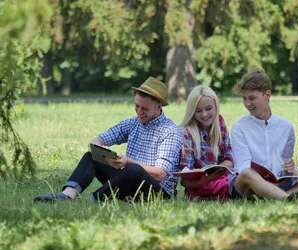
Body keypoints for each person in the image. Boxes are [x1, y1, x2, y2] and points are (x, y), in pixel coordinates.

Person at [34, 77, 183, 202]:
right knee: (92, 155)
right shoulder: (133, 123)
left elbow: (160, 174)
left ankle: (93, 199)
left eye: (145, 109)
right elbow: (96, 140)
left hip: (157, 193)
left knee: (133, 169)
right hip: (129, 182)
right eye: (136, 106)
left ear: (158, 108)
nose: (139, 111)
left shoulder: (170, 131)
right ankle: (67, 196)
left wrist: (128, 161)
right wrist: (101, 151)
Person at [231, 69, 298, 200]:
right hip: (249, 186)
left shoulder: (286, 127)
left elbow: (284, 167)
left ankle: (287, 195)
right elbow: (243, 166)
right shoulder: (239, 127)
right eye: (244, 98)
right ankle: (286, 197)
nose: (247, 103)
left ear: (267, 95)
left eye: (252, 98)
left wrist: (288, 169)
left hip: (280, 183)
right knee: (247, 173)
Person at [177, 85, 236, 200]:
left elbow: (230, 158)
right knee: (243, 182)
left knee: (245, 177)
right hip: (200, 185)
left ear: (216, 107)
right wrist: (205, 179)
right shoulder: (188, 132)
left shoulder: (219, 121)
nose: (204, 114)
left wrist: (217, 171)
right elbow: (185, 179)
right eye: (198, 111)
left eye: (209, 109)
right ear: (192, 112)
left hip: (222, 178)